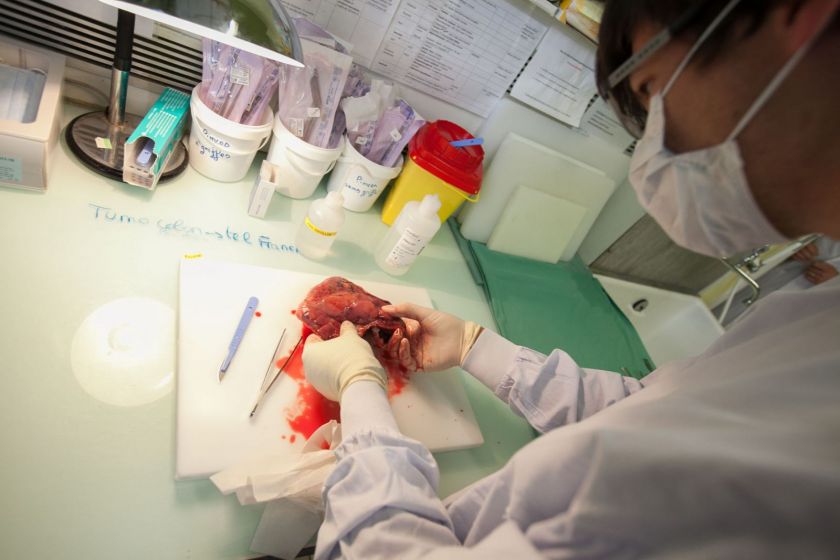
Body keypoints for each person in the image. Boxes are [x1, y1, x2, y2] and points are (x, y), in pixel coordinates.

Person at [302, 1, 840, 557]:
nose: (648, 160)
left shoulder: (815, 452)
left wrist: (363, 396)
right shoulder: (817, 322)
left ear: (805, 14)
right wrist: (475, 347)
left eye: (653, 91)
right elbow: (649, 410)